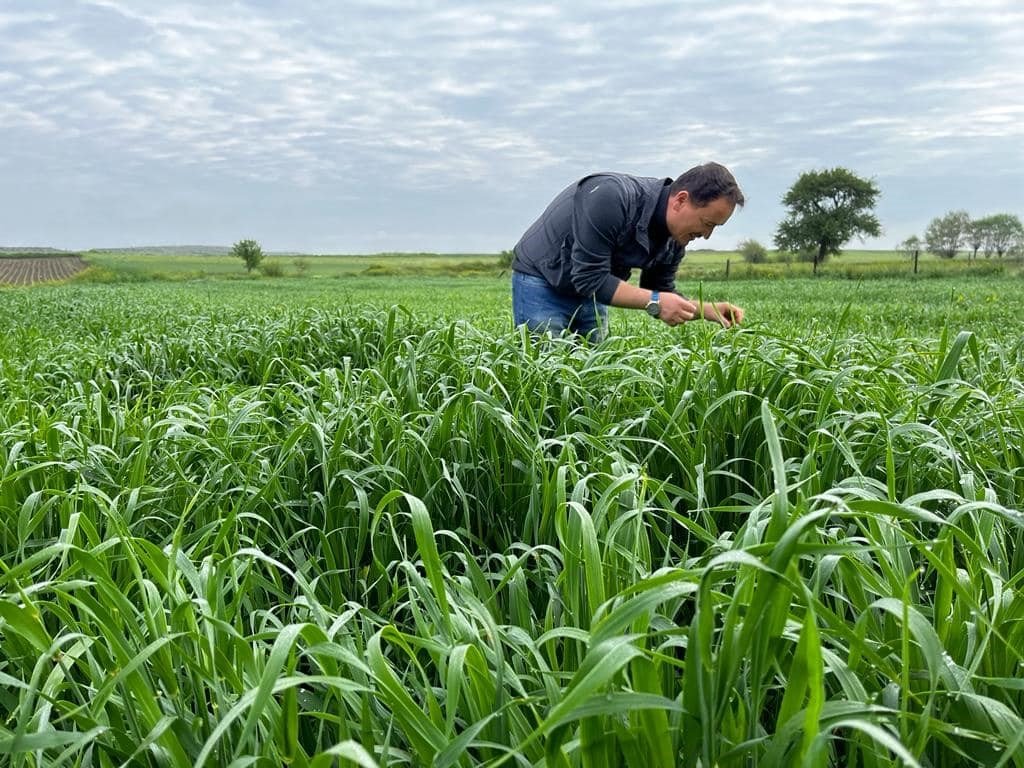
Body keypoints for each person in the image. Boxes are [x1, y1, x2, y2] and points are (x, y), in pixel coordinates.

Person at [510, 162, 745, 342]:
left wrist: (707, 310)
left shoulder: (675, 239)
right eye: (707, 223)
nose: (707, 235)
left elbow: (660, 292)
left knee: (590, 372)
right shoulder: (611, 196)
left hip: (591, 290)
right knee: (545, 372)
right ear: (680, 200)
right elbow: (590, 278)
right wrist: (655, 301)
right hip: (542, 279)